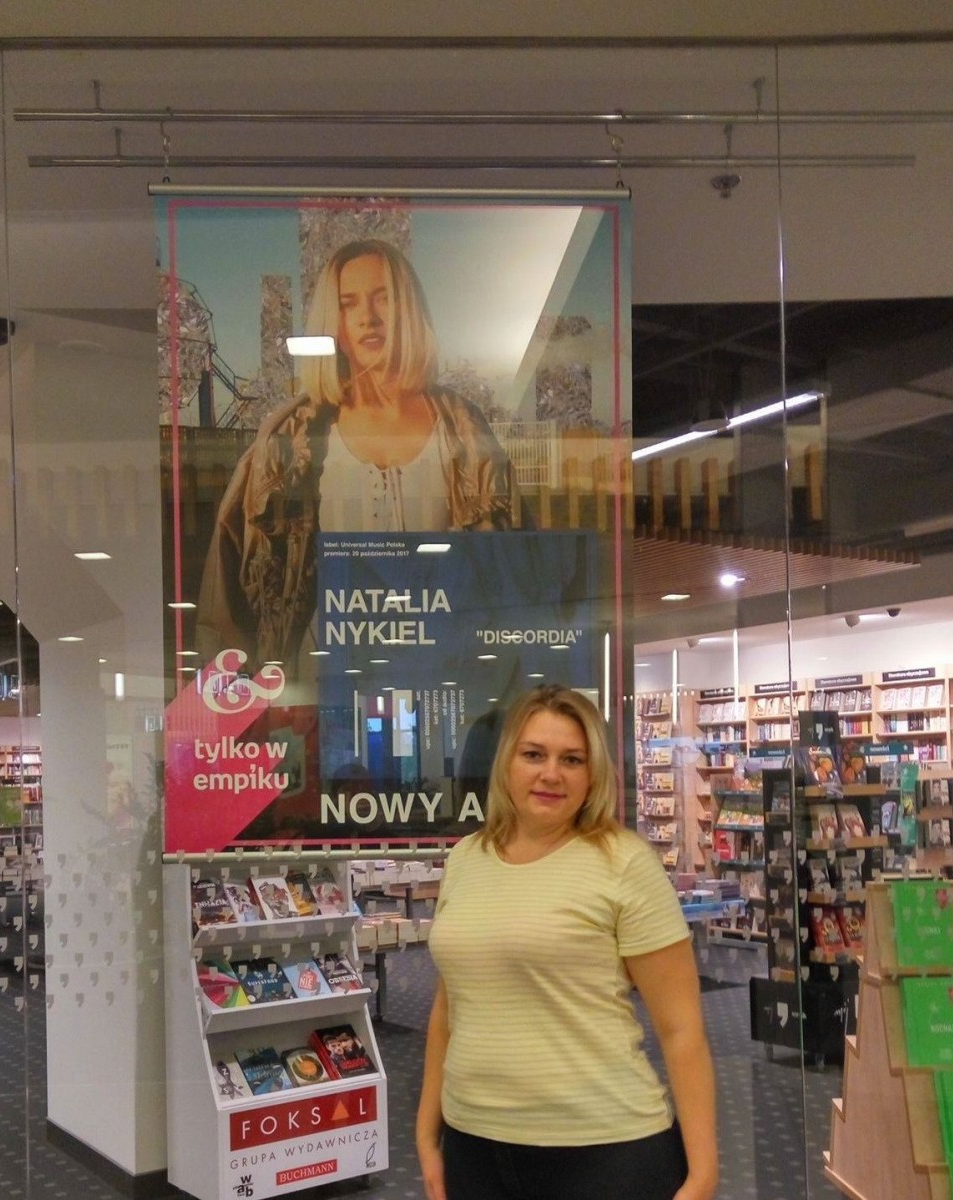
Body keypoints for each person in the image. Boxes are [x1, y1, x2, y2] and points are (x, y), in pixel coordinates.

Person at [416, 684, 718, 1200]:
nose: (551, 773)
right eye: (534, 754)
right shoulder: (466, 858)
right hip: (474, 1146)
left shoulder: (625, 863)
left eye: (572, 759)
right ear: (506, 763)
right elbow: (451, 1006)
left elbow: (681, 1029)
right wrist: (427, 1134)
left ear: (593, 773)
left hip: (605, 1152)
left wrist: (703, 1175)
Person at [196, 238, 518, 670]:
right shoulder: (288, 440)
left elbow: (518, 581)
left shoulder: (464, 432)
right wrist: (237, 702)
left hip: (443, 684)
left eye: (384, 298)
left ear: (409, 309)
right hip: (318, 690)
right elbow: (225, 607)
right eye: (348, 304)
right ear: (335, 322)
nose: (368, 317)